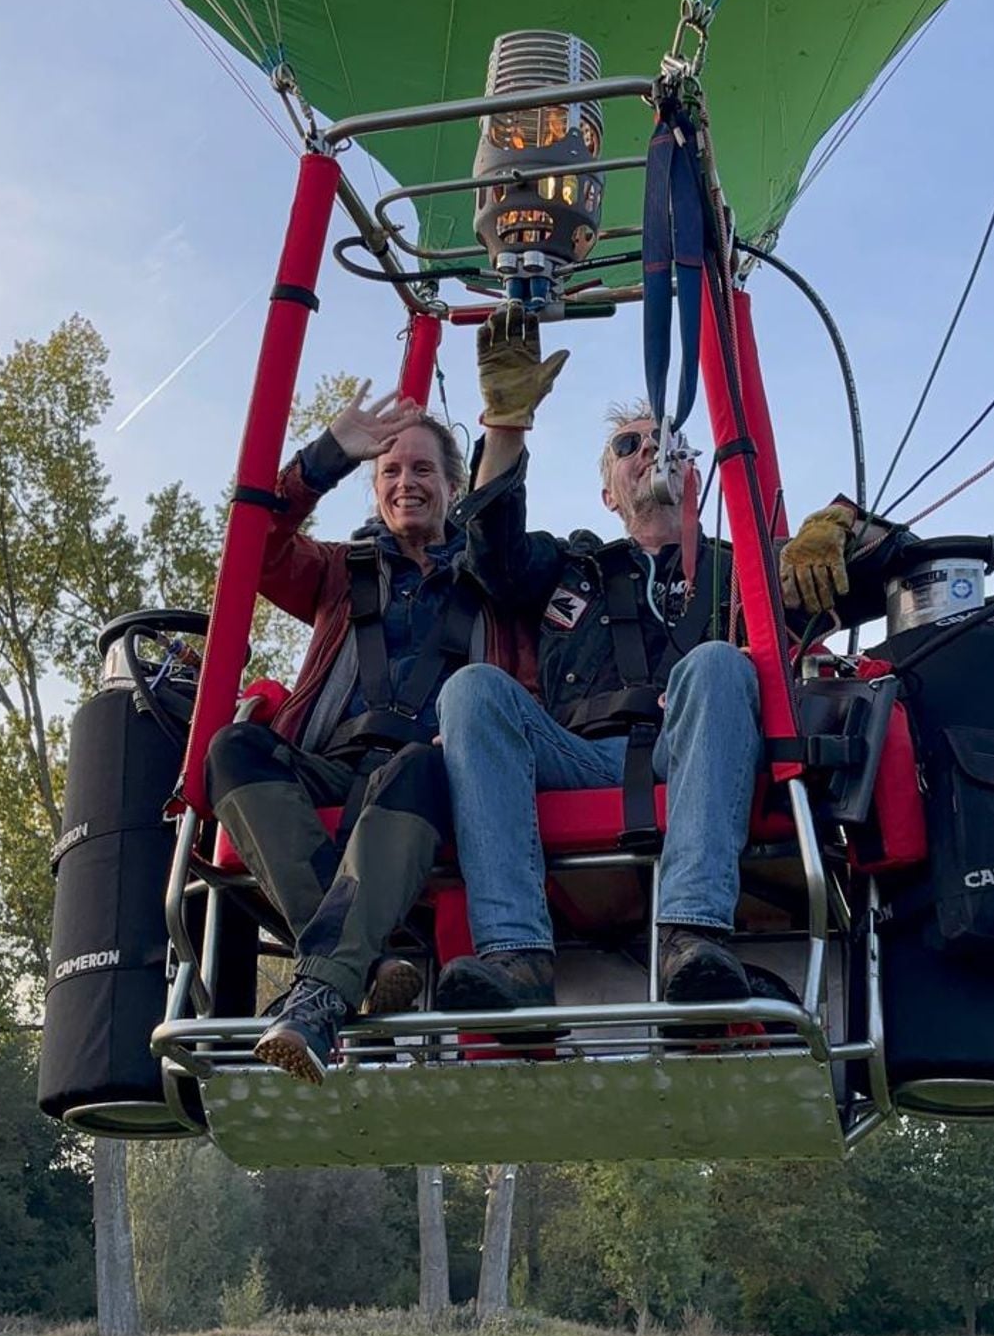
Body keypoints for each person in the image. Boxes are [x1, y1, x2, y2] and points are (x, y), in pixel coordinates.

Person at [436, 321, 854, 1012]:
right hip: (573, 751)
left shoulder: (742, 566)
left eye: (665, 441)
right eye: (629, 445)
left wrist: (834, 522)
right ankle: (514, 955)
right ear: (609, 492)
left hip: (692, 750)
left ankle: (691, 937)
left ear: (691, 473)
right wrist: (506, 425)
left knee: (719, 662)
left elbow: (838, 584)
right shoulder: (574, 566)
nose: (649, 451)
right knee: (473, 691)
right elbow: (492, 553)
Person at [206, 383, 532, 1081]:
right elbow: (250, 546)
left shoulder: (496, 590)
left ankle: (320, 990)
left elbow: (523, 691)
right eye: (390, 471)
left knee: (414, 765)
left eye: (422, 471)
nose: (406, 483)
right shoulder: (336, 571)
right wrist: (325, 459)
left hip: (430, 773)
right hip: (332, 759)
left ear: (453, 487)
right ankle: (358, 965)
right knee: (232, 748)